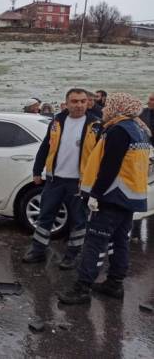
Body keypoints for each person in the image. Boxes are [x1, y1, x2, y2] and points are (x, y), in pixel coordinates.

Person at [58, 93, 151, 304]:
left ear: (118, 107)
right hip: (130, 196)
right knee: (120, 241)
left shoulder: (118, 130)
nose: (104, 108)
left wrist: (96, 195)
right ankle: (114, 283)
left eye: (109, 105)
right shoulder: (140, 129)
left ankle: (82, 287)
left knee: (95, 241)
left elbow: (110, 167)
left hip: (112, 196)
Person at [22, 88, 102, 269]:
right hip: (54, 180)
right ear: (67, 103)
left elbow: (101, 156)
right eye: (75, 101)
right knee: (45, 216)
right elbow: (45, 146)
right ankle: (37, 250)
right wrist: (37, 170)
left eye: (83, 101)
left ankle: (71, 256)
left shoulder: (95, 124)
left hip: (79, 182)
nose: (79, 105)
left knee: (78, 220)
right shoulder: (57, 121)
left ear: (88, 102)